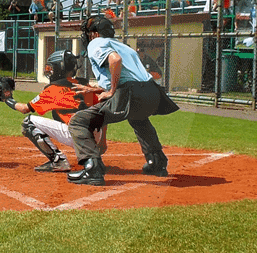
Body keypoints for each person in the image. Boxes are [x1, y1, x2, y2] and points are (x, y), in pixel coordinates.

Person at [65, 15, 179, 186]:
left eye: (90, 33)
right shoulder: (124, 46)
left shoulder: (96, 43)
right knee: (138, 118)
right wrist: (98, 89)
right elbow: (130, 76)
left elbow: (115, 60)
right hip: (153, 93)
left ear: (95, 34)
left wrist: (111, 90)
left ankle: (92, 168)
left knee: (78, 121)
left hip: (132, 93)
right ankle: (156, 161)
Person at [0, 50, 103, 172]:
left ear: (59, 69)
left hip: (77, 135)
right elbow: (101, 111)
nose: (50, 71)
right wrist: (101, 144)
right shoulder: (84, 84)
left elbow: (25, 109)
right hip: (95, 136)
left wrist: (7, 99)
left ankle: (58, 161)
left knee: (28, 122)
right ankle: (94, 156)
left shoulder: (53, 89)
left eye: (51, 68)